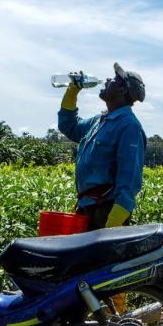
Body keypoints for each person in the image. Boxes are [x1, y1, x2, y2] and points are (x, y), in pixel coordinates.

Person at [57, 62, 147, 231]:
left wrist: (112, 226)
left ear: (122, 90)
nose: (107, 80)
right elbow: (68, 125)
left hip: (105, 212)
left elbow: (129, 182)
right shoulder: (99, 121)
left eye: (114, 79)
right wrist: (72, 91)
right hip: (86, 209)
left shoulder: (129, 126)